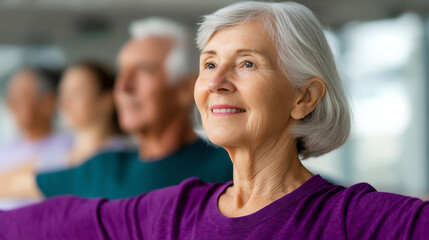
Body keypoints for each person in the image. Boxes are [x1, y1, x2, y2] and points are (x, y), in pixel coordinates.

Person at [2, 2, 428, 239]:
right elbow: (60, 220)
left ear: (303, 97)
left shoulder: (357, 220)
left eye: (246, 63)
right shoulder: (174, 213)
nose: (217, 82)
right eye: (209, 64)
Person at [0, 18, 232, 200]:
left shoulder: (231, 167)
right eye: (122, 72)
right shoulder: (105, 168)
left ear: (184, 89)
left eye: (143, 71)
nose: (123, 86)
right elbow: (10, 184)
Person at [0, 61, 133, 206]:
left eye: (76, 93)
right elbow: (10, 182)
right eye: (63, 93)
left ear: (107, 101)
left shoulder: (121, 155)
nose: (65, 101)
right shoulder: (57, 154)